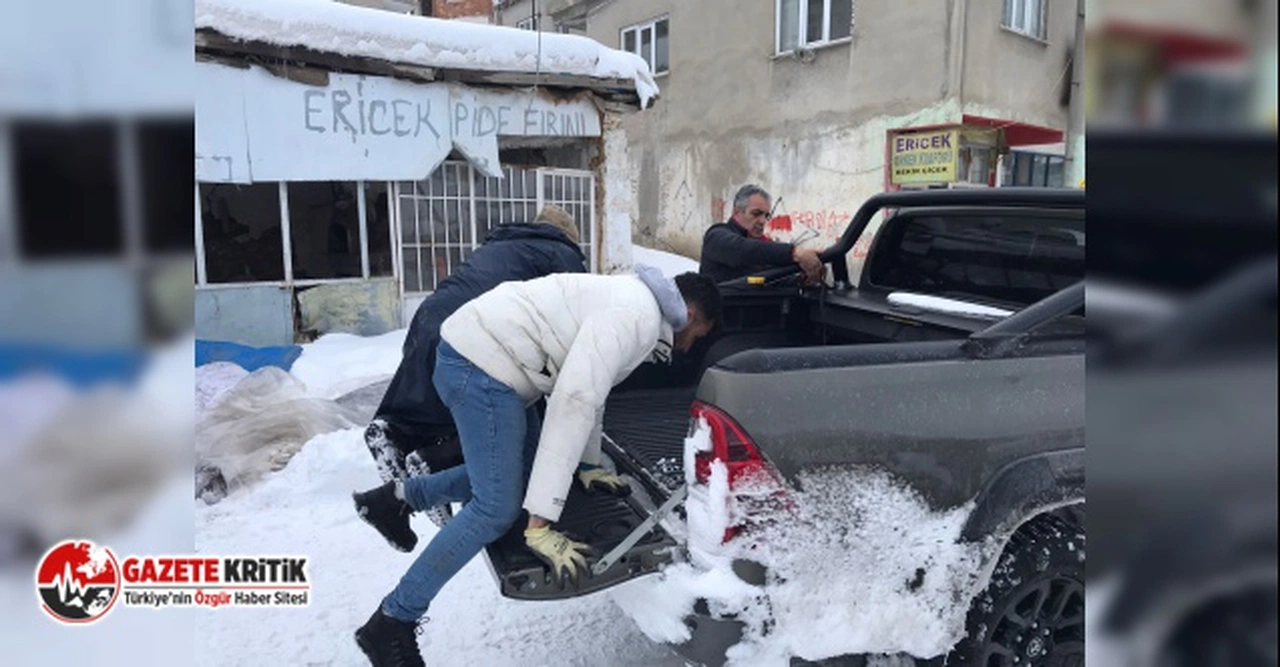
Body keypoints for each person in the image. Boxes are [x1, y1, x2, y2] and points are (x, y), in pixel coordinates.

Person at [350, 268, 723, 667]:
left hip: (494, 361)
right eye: (698, 335)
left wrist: (586, 463)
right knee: (495, 508)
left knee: (516, 475)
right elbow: (574, 400)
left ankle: (395, 500)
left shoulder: (637, 305)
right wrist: (540, 525)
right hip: (482, 367)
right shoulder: (638, 317)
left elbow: (593, 392)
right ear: (692, 314)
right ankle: (392, 621)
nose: (689, 347)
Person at [364, 205, 587, 528]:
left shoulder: (501, 245)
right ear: (568, 237)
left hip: (431, 317)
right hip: (475, 337)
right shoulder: (562, 256)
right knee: (512, 429)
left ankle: (393, 432)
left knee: (430, 410)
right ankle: (433, 464)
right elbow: (572, 329)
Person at [699, 184, 824, 284]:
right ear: (737, 213)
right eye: (756, 213)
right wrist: (795, 253)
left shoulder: (763, 247)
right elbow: (742, 250)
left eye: (766, 216)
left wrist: (804, 275)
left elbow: (770, 276)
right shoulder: (716, 236)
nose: (763, 221)